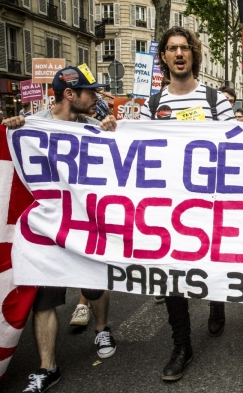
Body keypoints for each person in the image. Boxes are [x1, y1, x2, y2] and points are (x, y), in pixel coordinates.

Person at [139, 26, 243, 382]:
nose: (179, 54)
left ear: (193, 54)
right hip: (169, 206)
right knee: (171, 274)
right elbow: (134, 150)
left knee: (211, 262)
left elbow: (238, 147)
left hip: (211, 203)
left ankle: (217, 300)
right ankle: (181, 345)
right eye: (172, 49)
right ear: (165, 57)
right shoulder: (153, 105)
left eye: (185, 48)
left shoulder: (216, 100)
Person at [3, 66, 118, 393]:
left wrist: (111, 131)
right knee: (45, 297)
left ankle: (101, 328)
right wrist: (11, 130)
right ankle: (46, 367)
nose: (96, 98)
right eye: (90, 92)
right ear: (70, 94)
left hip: (85, 224)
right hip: (48, 227)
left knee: (95, 283)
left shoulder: (91, 127)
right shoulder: (31, 127)